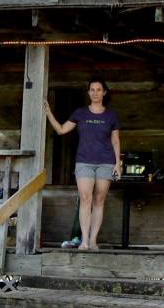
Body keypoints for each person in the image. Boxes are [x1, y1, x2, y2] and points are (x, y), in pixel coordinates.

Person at [44, 79, 122, 250]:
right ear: (88, 93)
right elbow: (61, 130)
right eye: (92, 90)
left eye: (98, 89)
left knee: (99, 200)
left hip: (106, 162)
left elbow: (115, 140)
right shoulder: (80, 113)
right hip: (84, 162)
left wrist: (118, 163)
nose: (95, 92)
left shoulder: (111, 115)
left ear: (104, 93)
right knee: (86, 199)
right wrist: (49, 112)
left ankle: (93, 240)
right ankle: (84, 241)